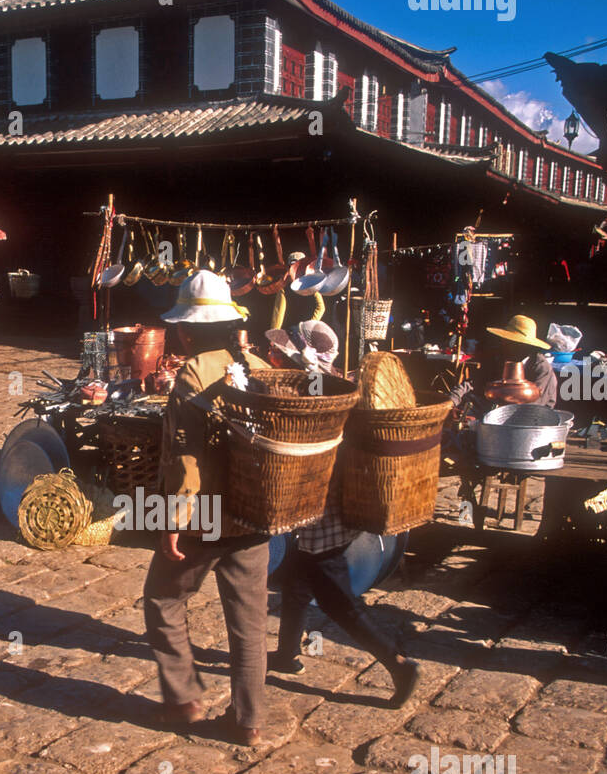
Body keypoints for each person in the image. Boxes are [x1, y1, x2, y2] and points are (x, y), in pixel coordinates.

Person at [143, 269, 272, 747]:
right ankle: (249, 721)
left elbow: (186, 458)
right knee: (249, 623)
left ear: (185, 330)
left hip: (207, 514)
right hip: (255, 511)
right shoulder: (257, 364)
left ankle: (183, 700)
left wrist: (172, 521)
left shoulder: (193, 374)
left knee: (162, 598)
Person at [267, 336, 422, 706]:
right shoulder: (331, 387)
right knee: (297, 585)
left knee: (341, 604)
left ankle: (397, 663)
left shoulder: (319, 399)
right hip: (328, 520)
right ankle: (287, 654)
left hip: (324, 520)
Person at [485, 315, 556, 406]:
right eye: (506, 341)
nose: (505, 345)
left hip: (534, 414)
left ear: (526, 346)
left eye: (512, 343)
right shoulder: (501, 359)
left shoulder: (542, 368)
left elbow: (536, 403)